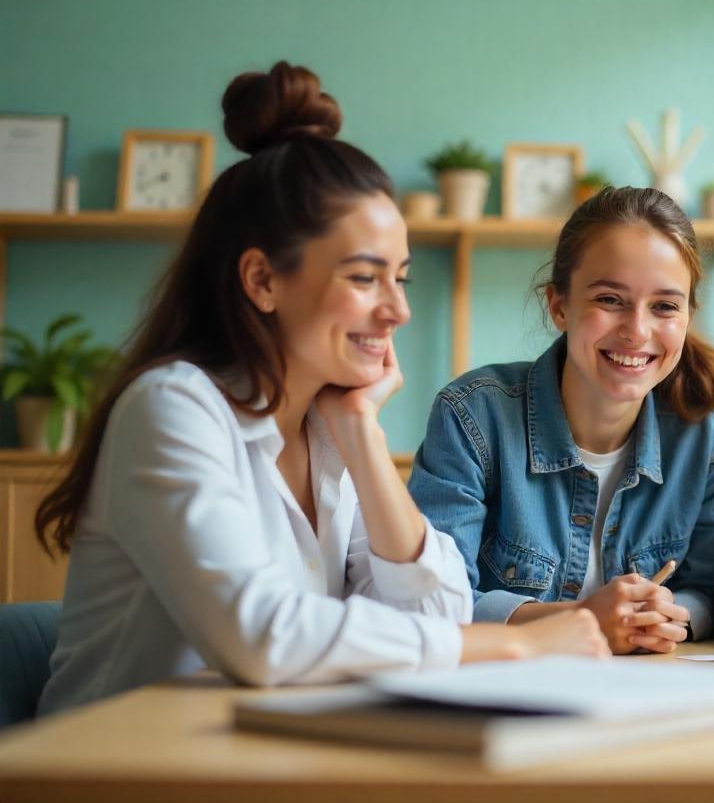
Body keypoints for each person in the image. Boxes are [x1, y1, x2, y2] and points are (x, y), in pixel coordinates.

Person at [36, 61, 606, 716]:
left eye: (402, 278)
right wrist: (516, 648)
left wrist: (362, 435)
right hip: (116, 772)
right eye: (365, 279)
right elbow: (263, 637)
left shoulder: (326, 424)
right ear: (262, 281)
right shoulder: (173, 407)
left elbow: (434, 607)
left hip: (268, 758)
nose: (398, 311)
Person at [409, 187, 714, 654]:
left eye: (665, 306)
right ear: (559, 305)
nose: (637, 330)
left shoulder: (706, 442)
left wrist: (666, 614)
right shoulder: (473, 418)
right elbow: (436, 601)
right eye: (610, 299)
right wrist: (581, 620)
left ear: (689, 315)